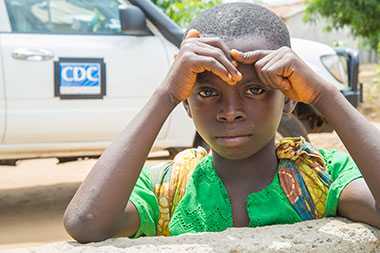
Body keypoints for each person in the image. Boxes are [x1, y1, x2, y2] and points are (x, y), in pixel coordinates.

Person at [63, 2, 380, 243]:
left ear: (290, 98)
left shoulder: (320, 175)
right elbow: (85, 222)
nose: (230, 111)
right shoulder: (169, 187)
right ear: (187, 102)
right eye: (207, 92)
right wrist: (165, 95)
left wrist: (324, 94)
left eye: (255, 90)